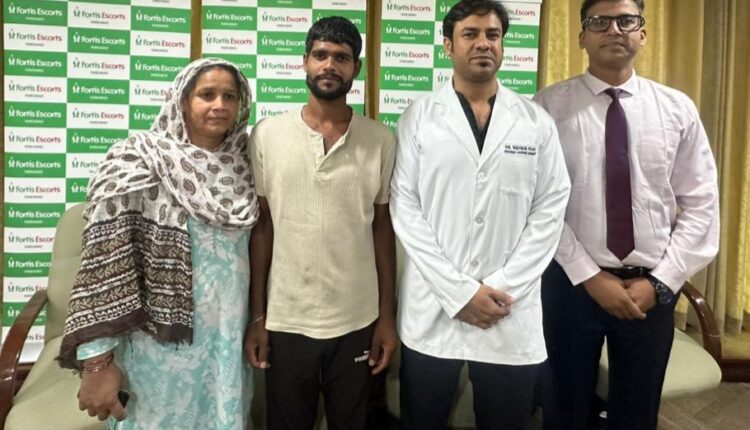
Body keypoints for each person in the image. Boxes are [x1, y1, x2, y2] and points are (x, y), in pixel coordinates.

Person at [534, 0, 720, 429]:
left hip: (650, 290)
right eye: (599, 22)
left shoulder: (676, 109)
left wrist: (662, 281)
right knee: (564, 411)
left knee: (637, 414)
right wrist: (590, 277)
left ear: (643, 33)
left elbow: (701, 204)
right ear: (581, 37)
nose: (614, 30)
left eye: (626, 20)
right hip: (570, 285)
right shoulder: (546, 108)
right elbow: (539, 204)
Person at [389, 1, 571, 429]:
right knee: (422, 420)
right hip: (435, 308)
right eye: (470, 34)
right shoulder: (418, 117)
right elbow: (405, 207)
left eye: (493, 35)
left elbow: (550, 208)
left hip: (508, 309)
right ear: (448, 45)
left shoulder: (535, 122)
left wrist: (503, 286)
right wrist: (458, 293)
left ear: (503, 45)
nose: (483, 43)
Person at [57, 58, 259, 429]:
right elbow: (103, 269)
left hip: (226, 344)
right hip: (158, 349)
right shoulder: (138, 160)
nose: (220, 105)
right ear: (182, 101)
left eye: (229, 96)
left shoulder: (246, 165)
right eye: (207, 95)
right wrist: (97, 361)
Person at [243, 17, 398, 430]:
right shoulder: (267, 135)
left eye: (342, 58)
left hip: (357, 319)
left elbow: (382, 230)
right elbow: (262, 229)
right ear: (305, 62)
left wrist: (386, 317)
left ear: (356, 68)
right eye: (321, 55)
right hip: (287, 317)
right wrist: (257, 317)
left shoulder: (382, 140)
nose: (330, 65)